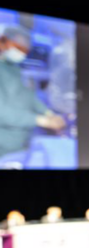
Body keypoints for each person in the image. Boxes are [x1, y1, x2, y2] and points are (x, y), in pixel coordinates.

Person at [0, 25, 66, 158]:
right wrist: (40, 120)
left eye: (25, 50)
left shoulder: (13, 69)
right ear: (3, 42)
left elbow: (28, 96)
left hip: (20, 141)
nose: (22, 53)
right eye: (18, 47)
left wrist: (47, 112)